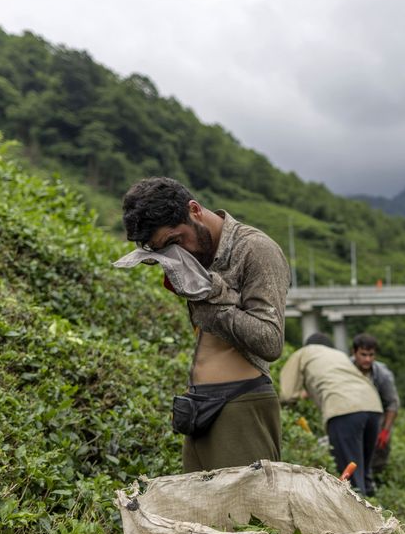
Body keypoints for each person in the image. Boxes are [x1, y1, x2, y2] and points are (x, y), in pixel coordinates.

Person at [119, 177, 289, 471]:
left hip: (241, 403)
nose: (178, 253)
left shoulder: (255, 249)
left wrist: (212, 293)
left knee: (244, 513)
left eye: (176, 241)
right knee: (200, 514)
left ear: (195, 210)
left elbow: (270, 340)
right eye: (166, 251)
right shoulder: (196, 255)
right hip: (199, 403)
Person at [280, 333, 383, 495]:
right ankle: (376, 510)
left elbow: (287, 395)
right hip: (373, 405)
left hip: (343, 408)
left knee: (351, 478)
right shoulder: (339, 355)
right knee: (362, 470)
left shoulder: (302, 354)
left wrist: (300, 397)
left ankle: (360, 516)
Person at [350, 333, 399, 496]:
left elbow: (392, 403)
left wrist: (385, 431)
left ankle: (371, 484)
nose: (367, 359)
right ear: (354, 352)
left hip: (376, 416)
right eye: (363, 355)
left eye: (371, 355)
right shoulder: (344, 369)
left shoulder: (382, 375)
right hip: (350, 412)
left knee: (377, 451)